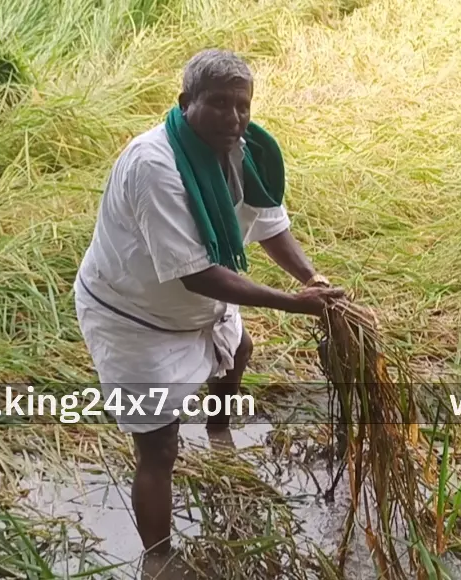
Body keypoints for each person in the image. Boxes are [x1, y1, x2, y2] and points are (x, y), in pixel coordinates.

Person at [72, 48, 344, 576]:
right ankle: (159, 559)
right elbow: (194, 273)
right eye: (218, 103)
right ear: (186, 102)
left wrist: (309, 278)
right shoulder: (155, 165)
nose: (234, 117)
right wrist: (293, 304)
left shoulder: (251, 149)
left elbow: (269, 224)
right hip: (136, 313)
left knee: (238, 349)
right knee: (159, 446)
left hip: (199, 302)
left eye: (242, 105)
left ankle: (218, 432)